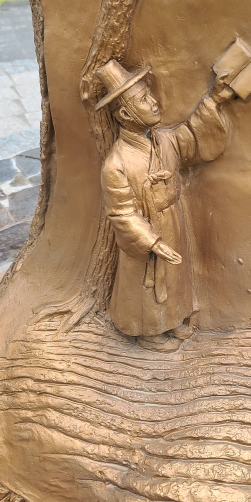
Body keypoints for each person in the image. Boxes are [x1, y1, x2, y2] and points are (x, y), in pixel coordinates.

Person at [96, 59, 235, 352]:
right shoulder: (116, 164)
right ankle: (148, 330)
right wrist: (152, 242)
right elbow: (122, 213)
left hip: (174, 218)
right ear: (125, 114)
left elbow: (192, 136)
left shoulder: (163, 140)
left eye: (150, 95)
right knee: (147, 282)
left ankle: (173, 318)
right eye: (143, 100)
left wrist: (215, 100)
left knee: (175, 276)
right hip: (147, 233)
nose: (154, 103)